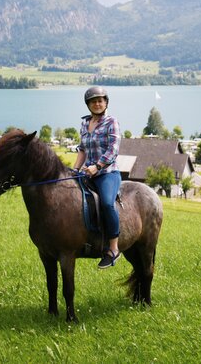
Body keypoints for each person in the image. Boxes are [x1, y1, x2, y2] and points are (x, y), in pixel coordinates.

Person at [73, 86, 122, 269]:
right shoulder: (85, 124)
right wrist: (75, 169)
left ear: (106, 102)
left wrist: (97, 166)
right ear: (88, 104)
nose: (97, 104)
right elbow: (83, 150)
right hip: (86, 172)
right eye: (93, 101)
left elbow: (113, 150)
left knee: (107, 203)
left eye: (100, 100)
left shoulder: (111, 122)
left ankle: (113, 249)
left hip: (107, 173)